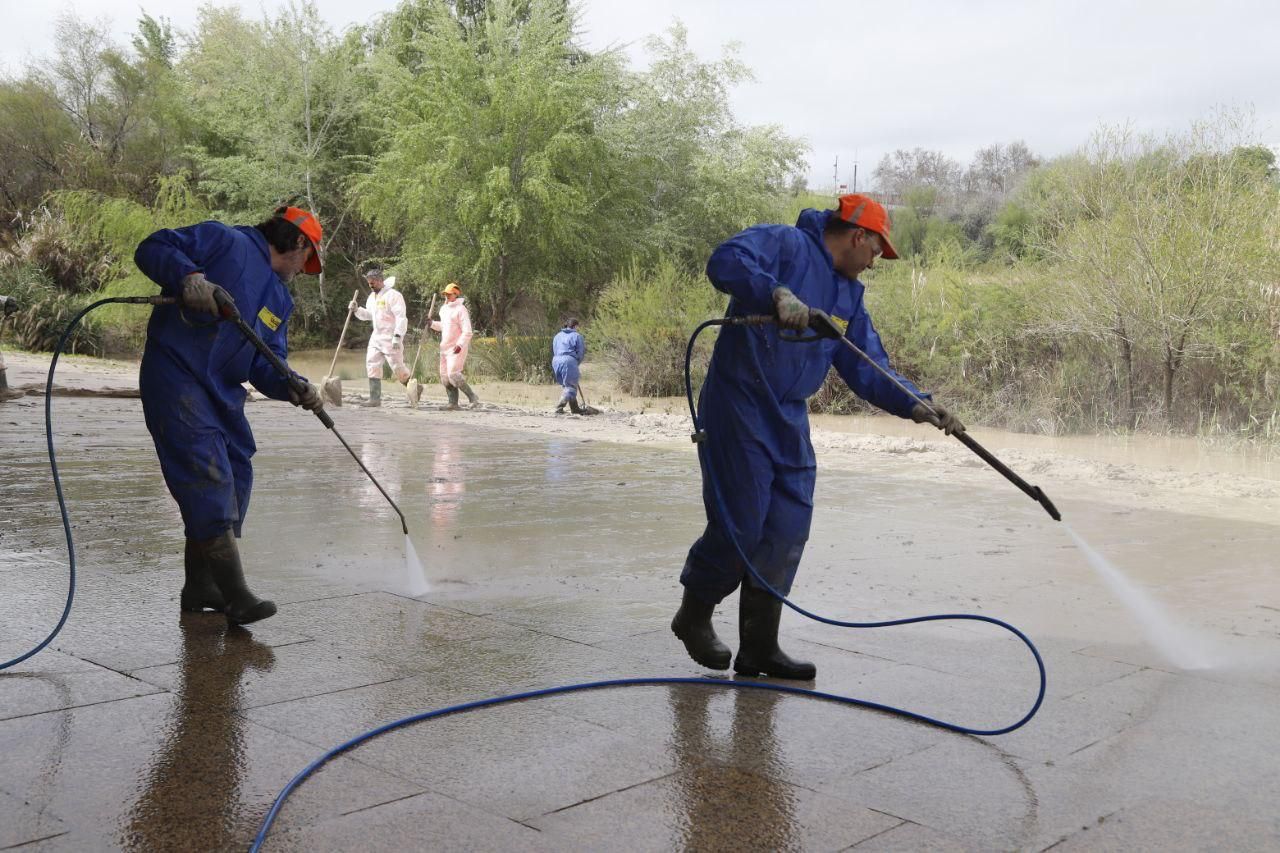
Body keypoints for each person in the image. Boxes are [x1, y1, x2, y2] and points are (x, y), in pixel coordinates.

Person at [672, 194, 965, 680]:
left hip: (789, 416)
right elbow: (725, 259)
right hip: (740, 402)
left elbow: (868, 366)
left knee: (787, 526)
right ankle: (694, 614)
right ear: (858, 236)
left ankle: (759, 647)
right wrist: (775, 294)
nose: (875, 262)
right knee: (741, 522)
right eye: (876, 251)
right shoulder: (785, 244)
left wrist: (918, 403)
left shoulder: (849, 296)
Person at [134, 206, 325, 625]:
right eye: (306, 259)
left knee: (236, 472)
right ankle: (237, 596)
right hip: (177, 375)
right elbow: (153, 247)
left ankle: (201, 586)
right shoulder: (224, 240)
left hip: (221, 393)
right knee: (208, 476)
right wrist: (189, 277)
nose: (301, 271)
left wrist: (291, 385)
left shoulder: (279, 299)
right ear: (298, 242)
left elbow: (265, 362)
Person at [350, 267, 410, 407]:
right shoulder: (372, 297)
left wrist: (397, 335)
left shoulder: (393, 295)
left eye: (373, 282)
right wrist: (357, 309)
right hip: (376, 337)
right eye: (369, 282)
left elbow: (401, 317)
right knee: (372, 364)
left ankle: (414, 387)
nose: (370, 285)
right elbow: (369, 315)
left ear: (381, 280)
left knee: (397, 368)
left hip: (391, 337)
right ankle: (374, 399)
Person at [430, 282, 479, 409]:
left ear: (456, 294)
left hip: (456, 347)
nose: (447, 296)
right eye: (445, 294)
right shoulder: (443, 309)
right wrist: (431, 323)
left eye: (449, 294)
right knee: (445, 376)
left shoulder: (461, 310)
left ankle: (472, 397)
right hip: (444, 347)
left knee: (453, 374)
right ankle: (453, 403)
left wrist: (460, 345)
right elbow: (443, 326)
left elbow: (467, 331)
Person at [551, 318, 586, 414]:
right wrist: (575, 363)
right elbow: (580, 353)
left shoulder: (557, 336)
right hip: (569, 360)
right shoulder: (577, 336)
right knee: (571, 386)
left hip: (556, 360)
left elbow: (554, 349)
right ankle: (559, 406)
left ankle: (575, 408)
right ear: (575, 326)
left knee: (567, 386)